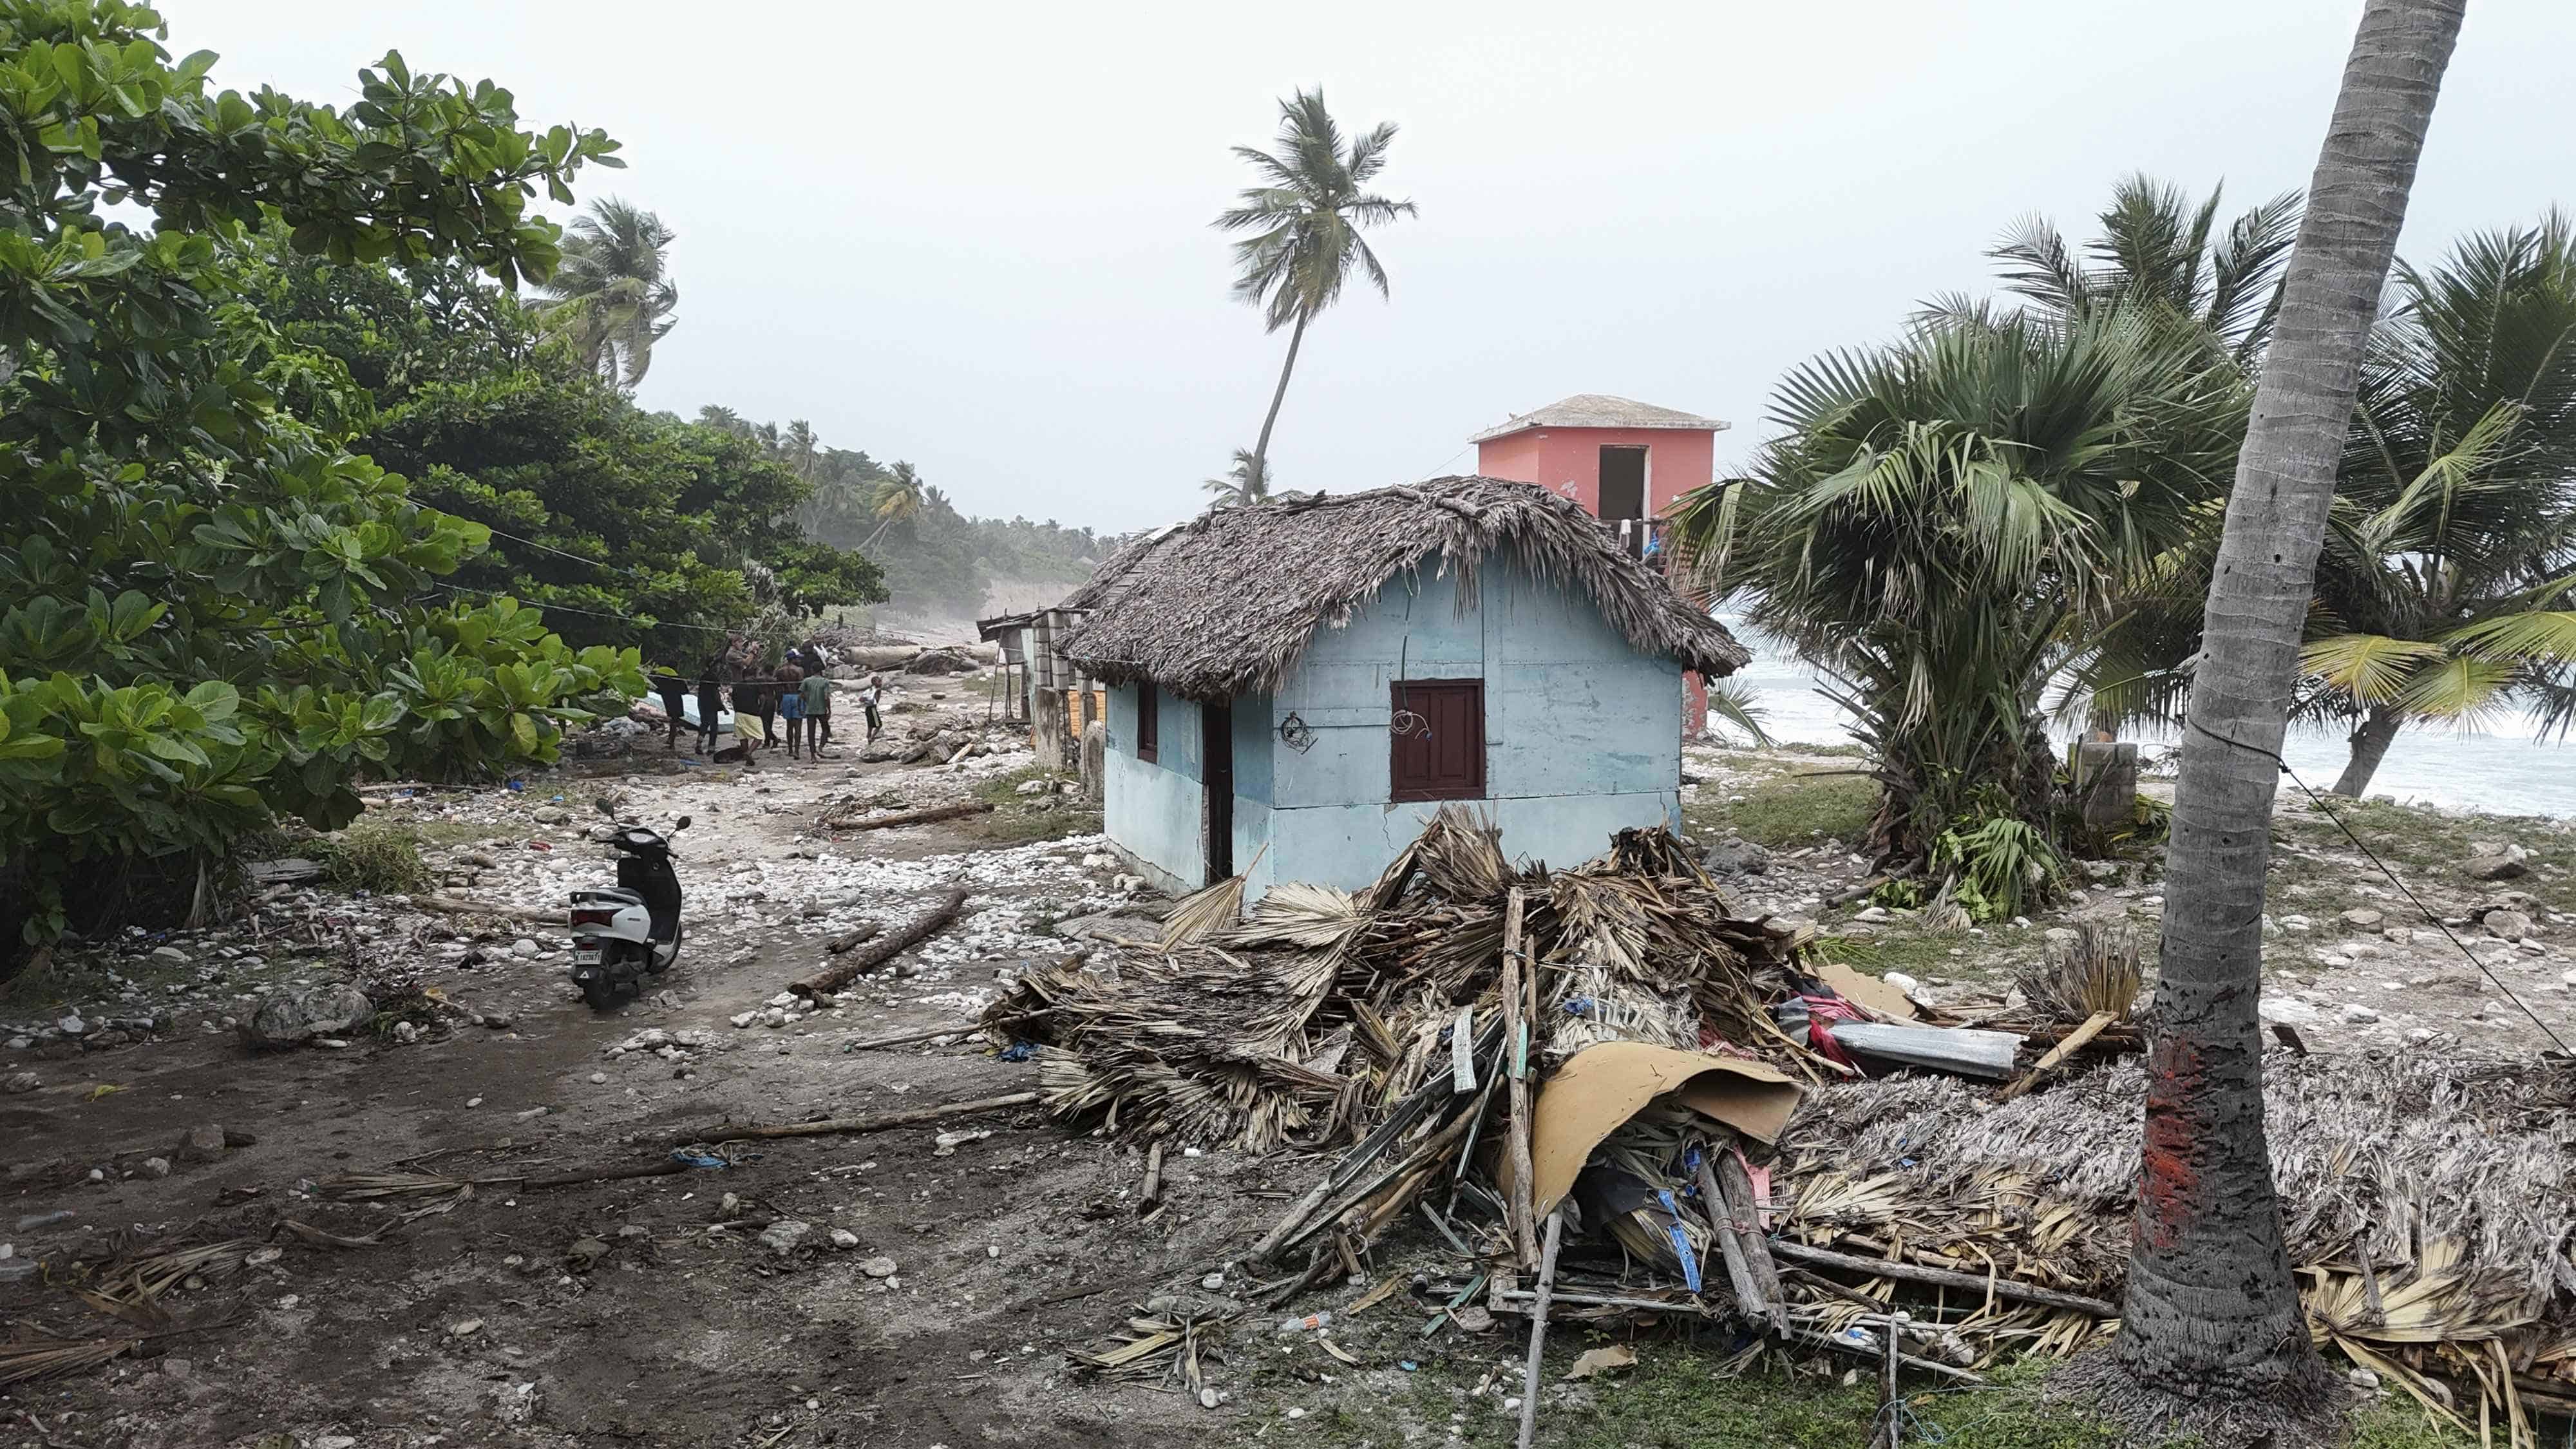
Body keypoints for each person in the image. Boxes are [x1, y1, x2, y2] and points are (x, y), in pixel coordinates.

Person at [694, 650, 728, 755]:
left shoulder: (704, 676)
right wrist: (723, 708)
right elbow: (715, 694)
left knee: (704, 725)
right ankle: (711, 749)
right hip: (711, 705)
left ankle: (698, 744)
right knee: (714, 727)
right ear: (714, 666)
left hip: (702, 703)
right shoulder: (714, 678)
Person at [652, 667, 690, 753]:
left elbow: (656, 689)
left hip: (668, 700)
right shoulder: (677, 679)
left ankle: (671, 742)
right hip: (676, 701)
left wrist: (666, 691)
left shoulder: (662, 679)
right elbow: (685, 691)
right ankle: (671, 742)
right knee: (674, 721)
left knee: (673, 721)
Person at [799, 665, 833, 757]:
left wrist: (806, 703)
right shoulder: (825, 681)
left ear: (812, 670)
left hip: (810, 710)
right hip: (821, 709)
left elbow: (801, 695)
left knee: (811, 732)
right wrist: (829, 710)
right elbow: (827, 697)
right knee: (826, 729)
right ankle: (821, 747)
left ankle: (813, 755)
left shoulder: (806, 681)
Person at [777, 663, 806, 759]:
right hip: (797, 696)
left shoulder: (781, 671)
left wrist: (779, 704)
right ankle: (796, 751)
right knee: (798, 726)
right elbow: (802, 687)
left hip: (786, 696)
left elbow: (779, 688)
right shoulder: (799, 669)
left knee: (789, 725)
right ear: (794, 659)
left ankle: (790, 750)